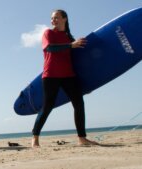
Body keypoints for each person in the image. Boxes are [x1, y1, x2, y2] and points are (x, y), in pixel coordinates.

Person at [31, 9, 99, 147]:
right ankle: (35, 137)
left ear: (64, 19)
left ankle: (82, 138)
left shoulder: (68, 37)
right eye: (52, 18)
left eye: (56, 18)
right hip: (51, 75)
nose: (53, 20)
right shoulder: (48, 33)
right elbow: (50, 48)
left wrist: (90, 81)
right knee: (47, 106)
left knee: (79, 104)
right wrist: (70, 45)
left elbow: (79, 59)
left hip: (69, 75)